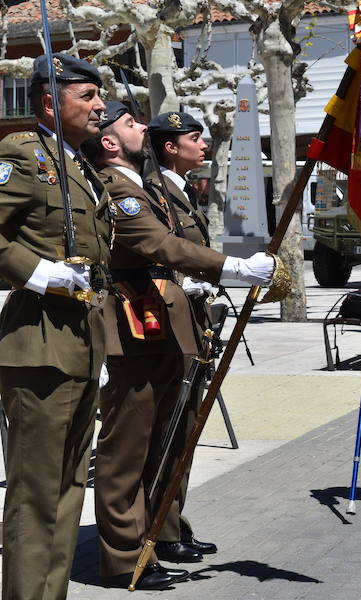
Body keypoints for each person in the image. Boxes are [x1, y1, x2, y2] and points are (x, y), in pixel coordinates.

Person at [84, 106, 276, 589]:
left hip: (159, 326)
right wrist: (235, 268)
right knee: (127, 450)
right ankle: (125, 558)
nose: (142, 128)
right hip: (133, 330)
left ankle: (153, 536)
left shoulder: (139, 186)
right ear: (109, 143)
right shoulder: (117, 187)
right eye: (130, 125)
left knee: (160, 443)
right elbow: (160, 246)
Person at [0, 53, 112, 600]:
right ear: (51, 101)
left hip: (82, 346)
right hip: (38, 346)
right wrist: (39, 273)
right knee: (36, 493)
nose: (100, 106)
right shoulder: (21, 155)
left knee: (69, 489)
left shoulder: (82, 168)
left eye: (100, 96)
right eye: (88, 96)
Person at [146, 111, 222, 561]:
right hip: (170, 322)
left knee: (186, 431)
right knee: (172, 431)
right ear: (171, 147)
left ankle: (176, 521)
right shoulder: (156, 193)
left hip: (194, 321)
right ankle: (164, 529)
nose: (203, 145)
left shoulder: (183, 190)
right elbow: (157, 252)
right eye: (195, 138)